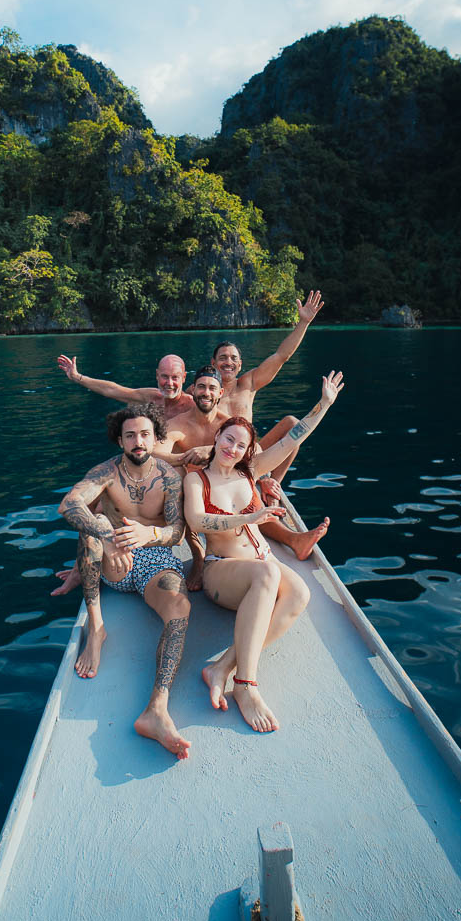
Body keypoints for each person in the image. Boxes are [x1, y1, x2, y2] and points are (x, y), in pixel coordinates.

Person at [183, 369, 344, 733]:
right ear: (217, 437)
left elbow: (294, 436)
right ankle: (246, 684)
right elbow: (196, 522)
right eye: (228, 440)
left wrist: (324, 404)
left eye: (241, 445)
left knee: (300, 593)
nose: (233, 449)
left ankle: (222, 667)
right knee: (270, 572)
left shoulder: (250, 471)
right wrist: (251, 515)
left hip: (260, 565)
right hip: (222, 569)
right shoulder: (198, 479)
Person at [57, 403, 191, 759]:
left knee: (179, 608)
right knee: (89, 533)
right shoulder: (105, 473)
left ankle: (157, 709)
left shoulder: (168, 477)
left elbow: (177, 532)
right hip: (114, 558)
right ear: (120, 439)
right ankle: (97, 629)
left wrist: (151, 532)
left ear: (155, 437)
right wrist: (104, 533)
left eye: (145, 434)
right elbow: (69, 504)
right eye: (130, 435)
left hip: (154, 557)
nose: (138, 441)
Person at [154, 366, 330, 585]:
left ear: (220, 393)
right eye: (201, 387)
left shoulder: (227, 425)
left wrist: (324, 404)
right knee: (178, 477)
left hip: (228, 485)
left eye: (211, 388)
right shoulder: (179, 424)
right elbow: (154, 452)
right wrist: (187, 458)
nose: (206, 392)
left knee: (296, 591)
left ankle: (291, 539)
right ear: (193, 390)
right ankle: (199, 557)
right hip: (196, 487)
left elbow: (269, 447)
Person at [201, 290, 325, 482]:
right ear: (213, 363)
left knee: (293, 424)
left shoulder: (248, 383)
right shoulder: (204, 392)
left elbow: (281, 356)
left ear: (240, 365)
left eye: (233, 358)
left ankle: (274, 485)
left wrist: (304, 323)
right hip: (220, 457)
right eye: (223, 358)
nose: (228, 362)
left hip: (251, 455)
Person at [57, 352, 194, 420]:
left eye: (175, 377)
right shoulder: (151, 397)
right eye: (165, 376)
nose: (169, 383)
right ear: (157, 375)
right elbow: (112, 390)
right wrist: (77, 377)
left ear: (184, 378)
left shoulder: (192, 406)